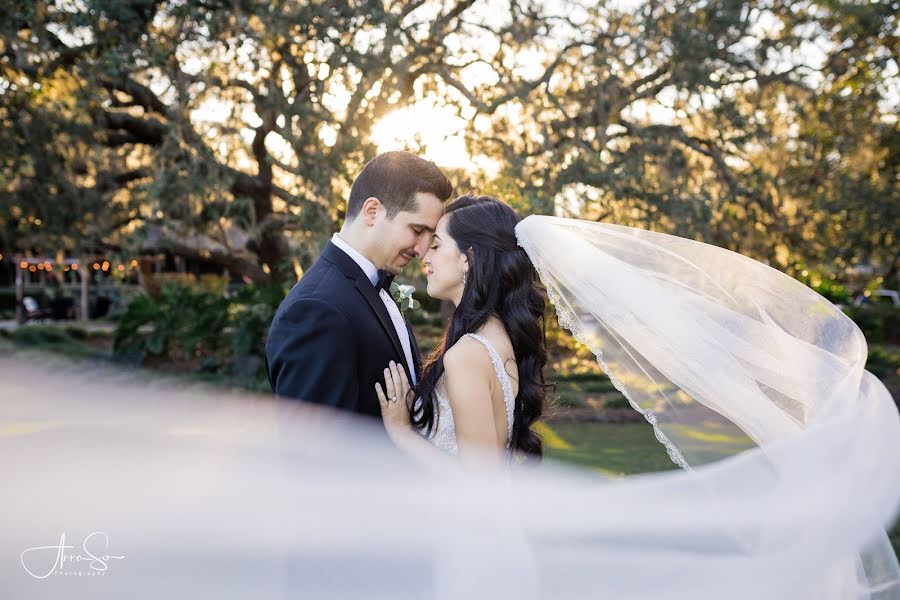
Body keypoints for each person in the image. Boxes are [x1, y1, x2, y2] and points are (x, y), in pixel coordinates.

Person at [265, 151, 452, 421]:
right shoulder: (316, 310)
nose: (423, 249)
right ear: (372, 211)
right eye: (416, 230)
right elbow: (316, 454)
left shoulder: (374, 285)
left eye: (430, 235)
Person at [376, 195, 550, 470]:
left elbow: (478, 485)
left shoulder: (468, 354)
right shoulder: (497, 337)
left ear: (468, 258)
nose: (425, 256)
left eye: (436, 245)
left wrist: (402, 434)